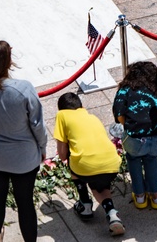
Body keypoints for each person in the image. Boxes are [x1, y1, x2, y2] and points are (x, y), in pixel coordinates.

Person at [0, 40, 47, 242]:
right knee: (25, 203)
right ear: (8, 62)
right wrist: (42, 147)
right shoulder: (23, 89)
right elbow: (37, 124)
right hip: (23, 159)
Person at [54, 93, 125, 236]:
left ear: (61, 109)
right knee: (99, 185)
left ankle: (85, 203)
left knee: (75, 160)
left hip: (86, 167)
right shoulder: (92, 117)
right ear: (82, 106)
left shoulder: (62, 116)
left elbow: (62, 155)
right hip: (111, 164)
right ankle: (112, 214)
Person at [112, 61, 157, 211]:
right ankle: (156, 197)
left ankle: (140, 197)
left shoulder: (126, 90)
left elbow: (119, 115)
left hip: (136, 140)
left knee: (133, 159)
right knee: (151, 158)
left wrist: (130, 125)